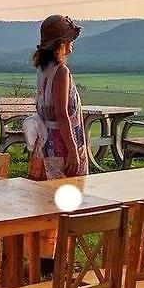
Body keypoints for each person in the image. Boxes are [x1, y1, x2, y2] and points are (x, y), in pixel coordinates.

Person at [30, 14, 89, 181]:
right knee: (68, 198)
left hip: (45, 144)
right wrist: (72, 151)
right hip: (61, 147)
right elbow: (61, 114)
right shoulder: (61, 71)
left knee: (44, 200)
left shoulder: (43, 70)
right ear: (61, 43)